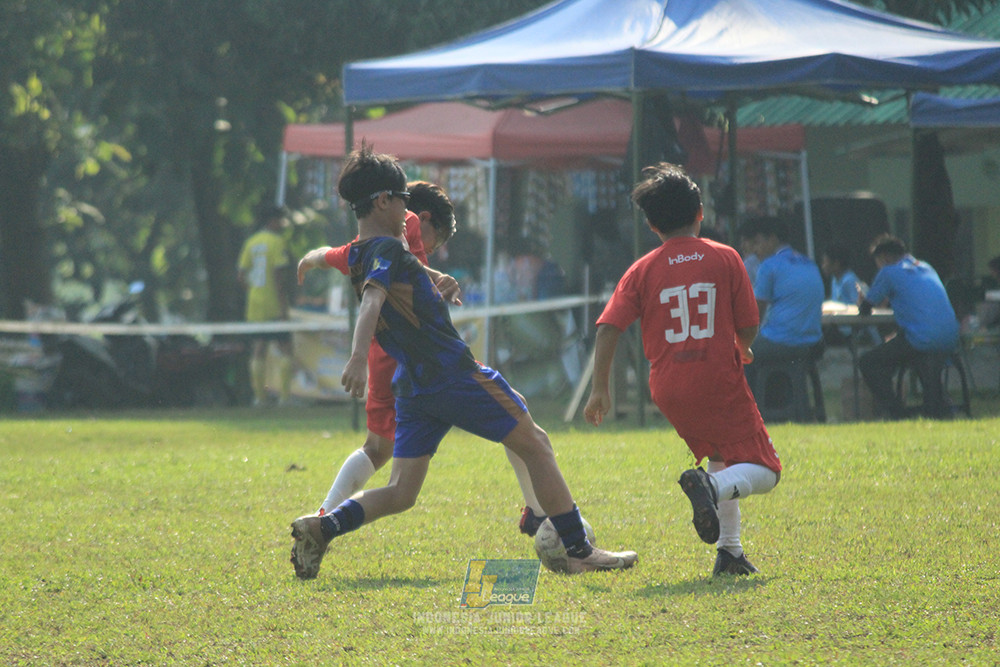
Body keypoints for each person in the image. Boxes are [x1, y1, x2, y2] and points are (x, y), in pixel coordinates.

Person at [289, 144, 637, 579]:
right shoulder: (387, 249)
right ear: (383, 202)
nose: (407, 210)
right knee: (536, 443)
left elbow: (373, 271)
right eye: (401, 200)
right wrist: (358, 356)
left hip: (412, 386)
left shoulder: (361, 252)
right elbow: (373, 301)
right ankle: (579, 547)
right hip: (452, 374)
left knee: (401, 492)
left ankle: (324, 527)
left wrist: (434, 278)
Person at [297, 181, 548, 536]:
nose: (434, 250)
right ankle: (540, 513)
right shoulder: (406, 224)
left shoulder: (361, 246)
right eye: (438, 242)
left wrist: (309, 258)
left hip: (383, 355)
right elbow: (394, 269)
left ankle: (323, 522)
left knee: (381, 455)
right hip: (416, 358)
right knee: (518, 419)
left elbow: (336, 254)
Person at [584, 163, 781, 577]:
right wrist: (742, 347)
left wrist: (600, 389)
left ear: (652, 225)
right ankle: (709, 489)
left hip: (669, 387)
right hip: (717, 378)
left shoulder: (643, 268)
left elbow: (607, 328)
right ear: (700, 213)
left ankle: (729, 552)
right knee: (766, 469)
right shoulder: (725, 257)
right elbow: (748, 324)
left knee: (722, 455)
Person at [858, 235, 960, 419]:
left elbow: (867, 307)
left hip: (921, 339)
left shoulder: (889, 272)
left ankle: (896, 411)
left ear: (885, 258)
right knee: (908, 353)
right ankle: (937, 407)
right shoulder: (925, 267)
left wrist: (862, 301)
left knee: (868, 362)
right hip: (950, 338)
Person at [740, 216, 825, 393]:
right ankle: (781, 403)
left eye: (758, 242)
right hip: (813, 342)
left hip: (783, 341)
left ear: (772, 239)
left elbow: (755, 316)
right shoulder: (808, 262)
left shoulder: (769, 265)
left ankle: (750, 410)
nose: (755, 250)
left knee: (737, 352)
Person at [237, 205, 295, 406]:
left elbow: (241, 276)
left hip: (255, 304)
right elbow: (279, 276)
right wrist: (282, 307)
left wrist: (253, 292)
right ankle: (285, 398)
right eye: (280, 220)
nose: (282, 224)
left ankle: (259, 398)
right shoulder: (277, 242)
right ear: (272, 220)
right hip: (273, 304)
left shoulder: (251, 242)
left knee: (258, 348)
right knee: (286, 348)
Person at [820, 244, 868, 345]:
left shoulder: (849, 280)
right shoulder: (834, 280)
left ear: (836, 264)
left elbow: (860, 306)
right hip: (838, 327)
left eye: (825, 262)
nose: (823, 266)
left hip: (850, 332)